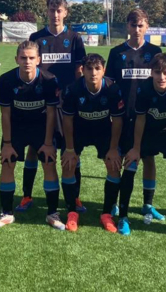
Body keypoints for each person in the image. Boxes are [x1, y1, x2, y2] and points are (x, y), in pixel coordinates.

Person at [22, 0, 87, 213]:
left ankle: (74, 197)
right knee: (34, 149)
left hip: (67, 104)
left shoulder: (74, 38)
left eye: (59, 10)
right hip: (41, 103)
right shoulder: (36, 37)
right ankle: (26, 196)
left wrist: (76, 98)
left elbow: (79, 71)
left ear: (65, 12)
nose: (55, 14)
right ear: (47, 11)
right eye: (52, 10)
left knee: (71, 150)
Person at [0, 41, 64, 230]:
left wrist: (48, 143)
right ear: (16, 59)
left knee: (49, 163)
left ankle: (52, 213)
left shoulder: (49, 79)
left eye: (31, 58)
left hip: (41, 128)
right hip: (17, 128)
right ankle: (6, 213)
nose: (27, 61)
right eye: (23, 58)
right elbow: (5, 114)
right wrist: (7, 143)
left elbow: (51, 113)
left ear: (38, 60)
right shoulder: (6, 80)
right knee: (7, 163)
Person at [121, 53, 166, 236]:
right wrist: (136, 148)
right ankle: (123, 217)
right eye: (157, 72)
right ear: (151, 72)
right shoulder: (144, 88)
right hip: (145, 131)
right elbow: (140, 119)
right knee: (131, 164)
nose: (162, 77)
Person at [105, 9, 164, 222]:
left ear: (147, 26)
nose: (137, 29)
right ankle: (113, 203)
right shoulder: (116, 52)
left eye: (140, 25)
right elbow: (109, 82)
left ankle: (147, 204)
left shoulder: (155, 52)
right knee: (118, 158)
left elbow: (160, 81)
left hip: (147, 115)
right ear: (127, 27)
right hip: (122, 115)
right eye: (133, 25)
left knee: (148, 158)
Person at [61, 54, 125, 232]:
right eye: (89, 69)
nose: (93, 73)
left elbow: (117, 120)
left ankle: (107, 214)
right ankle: (72, 212)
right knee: (68, 164)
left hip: (103, 131)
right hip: (79, 130)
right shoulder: (73, 89)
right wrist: (69, 149)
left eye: (97, 69)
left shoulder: (112, 89)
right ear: (82, 70)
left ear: (104, 70)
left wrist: (113, 148)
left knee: (113, 165)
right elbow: (67, 120)